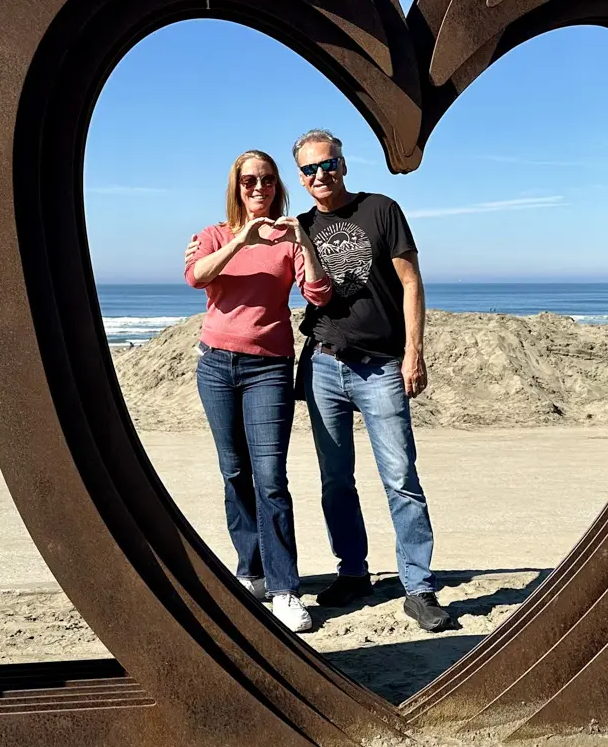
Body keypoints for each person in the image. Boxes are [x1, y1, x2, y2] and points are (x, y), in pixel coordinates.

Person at [290, 128, 450, 633]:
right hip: (323, 363)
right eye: (311, 168)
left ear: (343, 164)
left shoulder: (381, 209)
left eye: (329, 164)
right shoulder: (300, 226)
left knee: (401, 478)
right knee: (336, 480)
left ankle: (418, 588)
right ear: (300, 176)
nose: (322, 174)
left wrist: (414, 354)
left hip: (381, 366)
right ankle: (353, 573)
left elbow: (411, 282)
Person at [183, 149, 332, 633]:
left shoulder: (289, 238)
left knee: (270, 478)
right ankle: (252, 574)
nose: (258, 187)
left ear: (277, 185)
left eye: (266, 180)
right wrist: (240, 241)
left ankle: (285, 588)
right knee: (234, 472)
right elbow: (195, 277)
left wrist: (303, 241)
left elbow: (318, 293)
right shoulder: (213, 235)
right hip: (216, 366)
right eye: (249, 180)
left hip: (268, 368)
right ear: (236, 185)